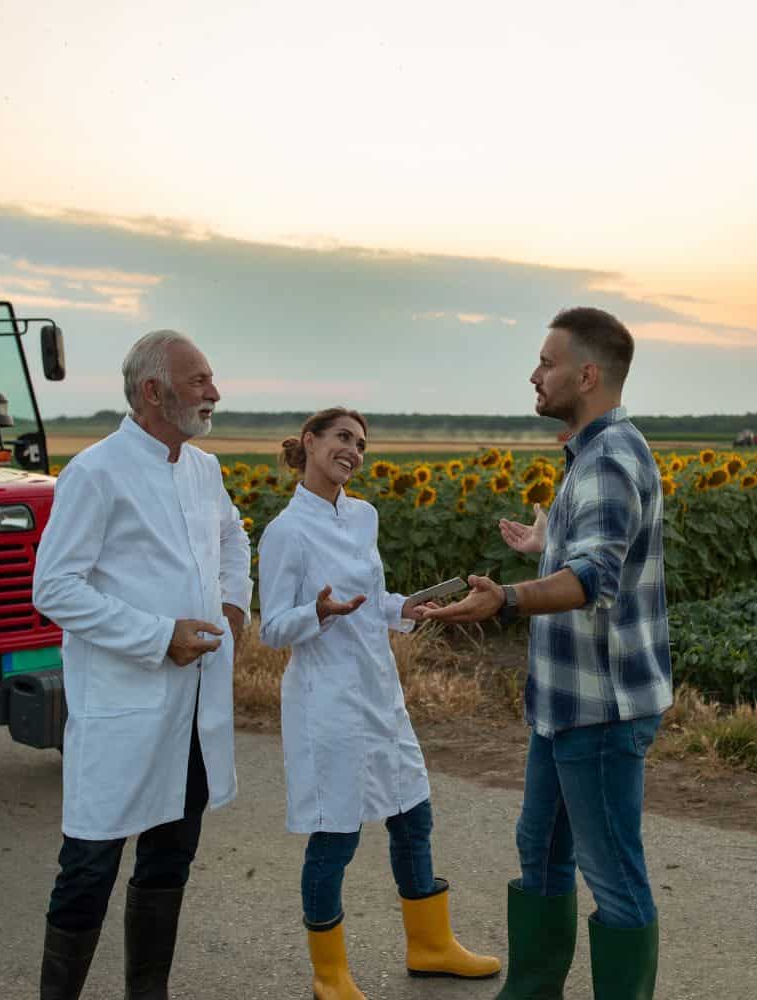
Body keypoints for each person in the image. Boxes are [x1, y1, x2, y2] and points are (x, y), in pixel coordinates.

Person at [423, 307, 672, 1000]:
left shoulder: (609, 461)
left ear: (587, 374)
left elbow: (594, 580)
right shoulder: (594, 456)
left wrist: (504, 597)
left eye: (548, 363)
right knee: (540, 851)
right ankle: (530, 991)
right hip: (566, 706)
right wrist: (548, 542)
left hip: (600, 709)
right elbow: (597, 551)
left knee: (614, 877)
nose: (535, 374)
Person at [32, 329, 252, 1000]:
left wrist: (233, 612)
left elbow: (233, 537)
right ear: (153, 392)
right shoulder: (95, 473)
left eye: (211, 378)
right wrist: (160, 636)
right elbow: (55, 589)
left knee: (168, 861)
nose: (213, 393)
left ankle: (146, 993)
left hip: (190, 709)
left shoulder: (202, 469)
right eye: (198, 382)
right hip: (125, 705)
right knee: (91, 864)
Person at [257, 407, 500, 999]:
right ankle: (330, 974)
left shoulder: (363, 515)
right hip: (327, 704)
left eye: (361, 444)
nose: (353, 451)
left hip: (378, 691)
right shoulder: (286, 531)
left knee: (412, 816)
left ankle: (430, 946)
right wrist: (316, 612)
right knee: (335, 836)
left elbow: (373, 596)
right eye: (342, 438)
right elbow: (271, 628)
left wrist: (404, 609)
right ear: (310, 442)